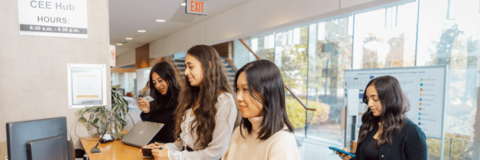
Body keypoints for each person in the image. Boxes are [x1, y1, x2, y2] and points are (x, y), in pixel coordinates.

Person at [148, 45, 239, 160]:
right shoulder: (192, 97)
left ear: (209, 66)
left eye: (190, 67)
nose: (186, 72)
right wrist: (162, 148)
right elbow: (184, 143)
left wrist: (172, 156)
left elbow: (215, 153)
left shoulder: (224, 101)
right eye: (186, 67)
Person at [222, 60, 300, 160]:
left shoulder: (281, 141)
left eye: (245, 89)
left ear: (267, 93)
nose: (238, 97)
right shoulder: (240, 131)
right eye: (238, 89)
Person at [338, 75, 427, 160]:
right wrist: (349, 158)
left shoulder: (412, 133)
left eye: (375, 99)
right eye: (368, 99)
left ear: (390, 99)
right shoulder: (368, 126)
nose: (369, 104)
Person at [138, 62, 181, 143]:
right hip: (153, 148)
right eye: (154, 83)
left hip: (171, 152)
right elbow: (149, 132)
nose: (157, 86)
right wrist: (147, 112)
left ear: (170, 76)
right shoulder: (156, 101)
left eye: (160, 80)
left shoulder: (183, 99)